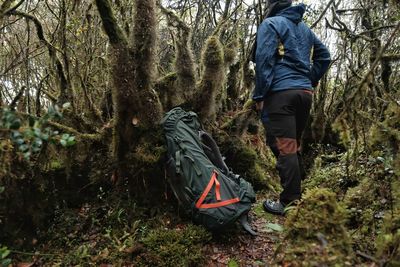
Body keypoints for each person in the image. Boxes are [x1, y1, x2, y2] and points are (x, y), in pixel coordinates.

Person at [252, 0, 331, 215]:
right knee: (290, 146)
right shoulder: (304, 28)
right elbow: (325, 57)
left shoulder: (271, 24)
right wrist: (308, 80)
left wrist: (260, 95)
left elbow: (264, 59)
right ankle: (295, 191)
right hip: (304, 95)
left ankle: (289, 201)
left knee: (284, 146)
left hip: (280, 94)